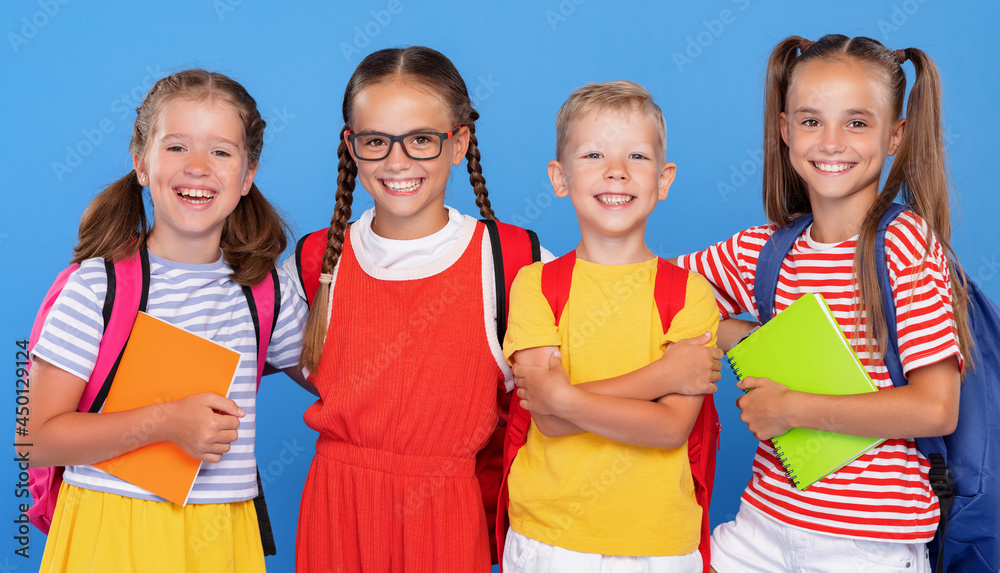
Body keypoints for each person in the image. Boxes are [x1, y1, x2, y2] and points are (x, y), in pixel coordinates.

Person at [676, 35, 970, 573]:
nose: (831, 141)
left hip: (867, 545)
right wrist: (747, 339)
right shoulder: (764, 250)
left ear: (895, 137)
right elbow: (654, 292)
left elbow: (935, 408)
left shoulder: (905, 246)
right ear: (785, 129)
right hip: (762, 526)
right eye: (811, 121)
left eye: (857, 123)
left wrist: (793, 408)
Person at [23, 69, 310, 572]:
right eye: (176, 147)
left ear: (248, 176)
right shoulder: (96, 289)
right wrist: (167, 425)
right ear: (140, 163)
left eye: (221, 152)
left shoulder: (268, 292)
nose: (198, 167)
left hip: (224, 533)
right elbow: (36, 439)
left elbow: (347, 383)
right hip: (110, 529)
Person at [285, 46, 550, 572]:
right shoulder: (315, 260)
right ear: (351, 146)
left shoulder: (513, 260)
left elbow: (614, 324)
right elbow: (253, 345)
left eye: (422, 140)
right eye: (376, 141)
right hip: (336, 510)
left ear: (459, 144)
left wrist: (711, 338)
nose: (397, 161)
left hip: (448, 511)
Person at [501, 80, 724, 573]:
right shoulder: (535, 284)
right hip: (548, 540)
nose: (617, 172)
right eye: (594, 154)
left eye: (638, 158)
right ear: (559, 178)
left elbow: (669, 429)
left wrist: (566, 395)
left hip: (661, 543)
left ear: (664, 180)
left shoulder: (689, 293)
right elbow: (550, 420)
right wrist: (664, 376)